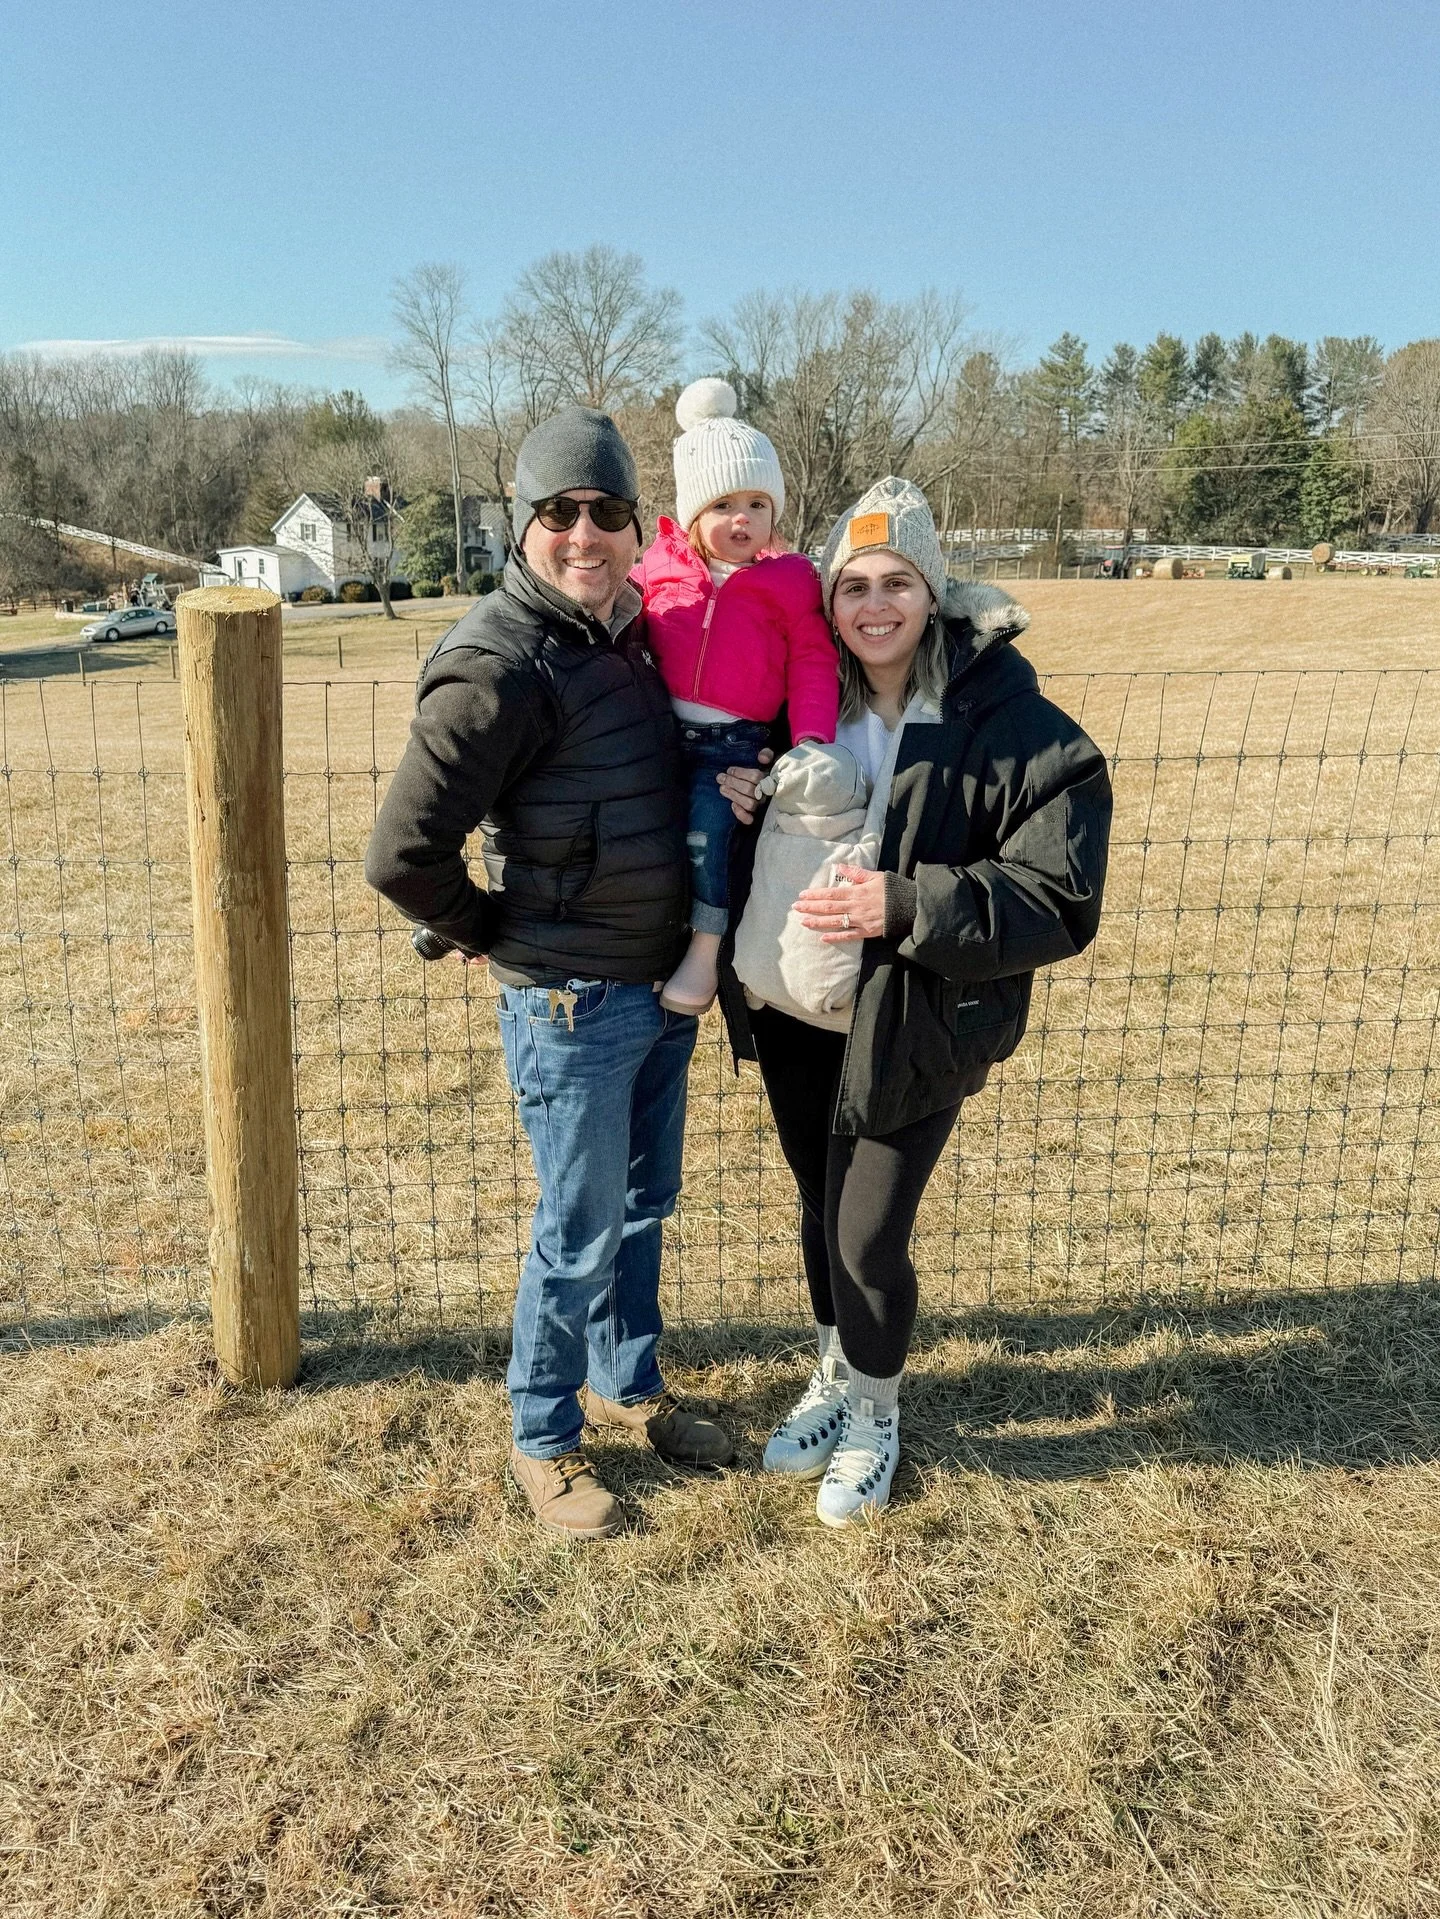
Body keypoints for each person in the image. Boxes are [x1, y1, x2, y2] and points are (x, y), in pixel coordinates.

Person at [365, 405, 738, 1541]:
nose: (586, 533)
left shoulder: (625, 631)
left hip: (660, 982)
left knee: (643, 1204)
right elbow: (400, 855)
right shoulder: (497, 664)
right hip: (572, 1002)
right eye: (560, 513)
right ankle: (544, 1436)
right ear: (524, 525)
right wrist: (495, 932)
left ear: (637, 525)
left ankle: (633, 1384)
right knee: (575, 1227)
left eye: (607, 511)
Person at [719, 477, 1113, 1526]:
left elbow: (1060, 895)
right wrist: (748, 795)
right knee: (817, 1208)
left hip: (918, 1017)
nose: (874, 603)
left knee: (865, 1235)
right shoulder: (810, 702)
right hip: (800, 1009)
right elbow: (770, 827)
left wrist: (908, 901)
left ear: (934, 595)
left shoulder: (1014, 724)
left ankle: (877, 1414)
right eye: (853, 584)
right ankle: (834, 1373)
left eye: (898, 581)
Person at [633, 379, 837, 1016]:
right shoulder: (656, 568)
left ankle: (706, 946)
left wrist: (808, 742)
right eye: (723, 504)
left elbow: (811, 661)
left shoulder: (791, 581)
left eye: (757, 502)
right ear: (693, 513)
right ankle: (647, 936)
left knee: (709, 830)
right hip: (661, 733)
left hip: (735, 744)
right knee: (644, 828)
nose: (742, 518)